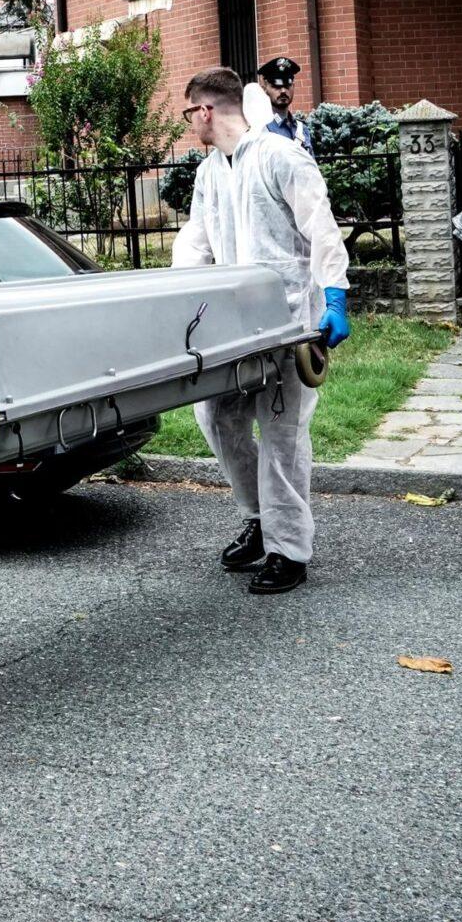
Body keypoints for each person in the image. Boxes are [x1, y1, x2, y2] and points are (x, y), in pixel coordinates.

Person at [172, 68, 351, 594]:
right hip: (233, 327)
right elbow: (195, 241)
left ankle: (288, 548)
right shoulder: (211, 172)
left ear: (206, 111)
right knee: (218, 418)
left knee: (282, 434)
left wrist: (335, 296)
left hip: (289, 323)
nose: (190, 125)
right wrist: (178, 298)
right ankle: (259, 518)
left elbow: (321, 226)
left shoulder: (280, 157)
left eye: (190, 114)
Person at [254, 56, 313, 155]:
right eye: (277, 86)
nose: (283, 91)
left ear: (293, 86)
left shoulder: (302, 129)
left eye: (287, 85)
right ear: (265, 88)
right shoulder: (259, 130)